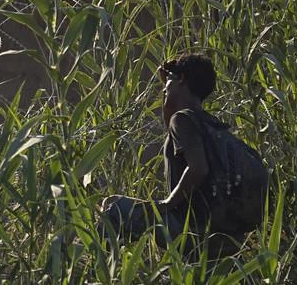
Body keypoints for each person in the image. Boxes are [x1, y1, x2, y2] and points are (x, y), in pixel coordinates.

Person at [100, 53, 248, 253]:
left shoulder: (183, 120)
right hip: (225, 237)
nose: (164, 87)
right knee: (113, 202)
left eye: (168, 80)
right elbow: (171, 126)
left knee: (116, 209)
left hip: (191, 231)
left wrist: (167, 203)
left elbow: (198, 169)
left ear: (182, 80)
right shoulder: (210, 126)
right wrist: (169, 85)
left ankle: (96, 273)